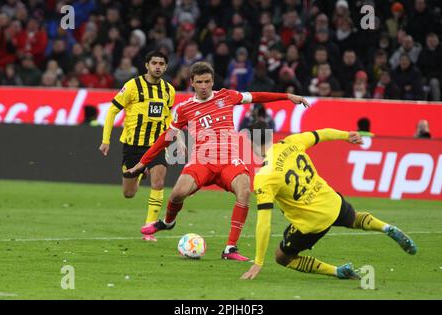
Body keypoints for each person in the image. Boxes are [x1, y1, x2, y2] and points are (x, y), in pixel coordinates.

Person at [127, 61, 309, 261]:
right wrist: (142, 163)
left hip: (229, 160)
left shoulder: (227, 96)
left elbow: (256, 96)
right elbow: (165, 138)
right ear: (192, 83)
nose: (204, 86)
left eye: (207, 81)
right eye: (199, 82)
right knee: (177, 194)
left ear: (212, 81)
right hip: (202, 160)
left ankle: (230, 248)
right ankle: (169, 222)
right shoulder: (184, 109)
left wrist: (287, 96)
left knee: (244, 191)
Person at [241, 123, 417, 280]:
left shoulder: (264, 176)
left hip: (311, 222)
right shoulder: (292, 141)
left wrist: (258, 262)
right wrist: (346, 136)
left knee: (282, 257)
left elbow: (264, 223)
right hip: (332, 201)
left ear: (251, 143)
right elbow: (323, 133)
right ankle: (387, 228)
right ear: (271, 136)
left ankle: (337, 271)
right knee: (355, 219)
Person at [99, 50, 176, 241]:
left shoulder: (169, 90)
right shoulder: (133, 86)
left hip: (156, 145)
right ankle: (140, 173)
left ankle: (149, 227)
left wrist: (175, 139)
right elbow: (112, 111)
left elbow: (169, 117)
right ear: (147, 65)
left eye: (161, 64)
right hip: (133, 145)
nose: (158, 67)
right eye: (154, 63)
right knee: (129, 193)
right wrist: (105, 140)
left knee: (158, 182)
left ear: (166, 67)